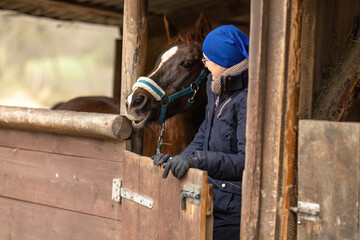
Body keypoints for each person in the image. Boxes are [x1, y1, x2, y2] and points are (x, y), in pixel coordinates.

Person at [152, 25, 249, 240]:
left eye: (208, 59)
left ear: (224, 60)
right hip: (212, 196)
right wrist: (181, 158)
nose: (204, 65)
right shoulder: (216, 87)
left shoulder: (247, 99)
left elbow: (246, 162)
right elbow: (204, 133)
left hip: (235, 205)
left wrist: (197, 160)